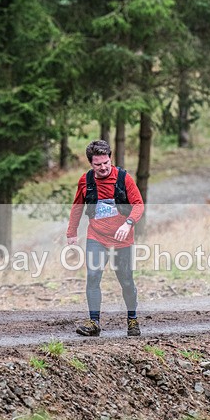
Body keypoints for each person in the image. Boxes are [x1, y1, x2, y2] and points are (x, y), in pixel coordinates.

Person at [66, 139, 145, 337]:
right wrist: (72, 233)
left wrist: (128, 224)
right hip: (96, 236)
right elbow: (77, 207)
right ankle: (94, 323)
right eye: (97, 164)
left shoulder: (124, 178)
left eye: (106, 163)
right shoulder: (86, 181)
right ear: (91, 164)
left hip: (122, 240)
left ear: (110, 159)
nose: (102, 168)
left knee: (126, 280)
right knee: (93, 276)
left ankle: (132, 319)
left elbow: (138, 204)